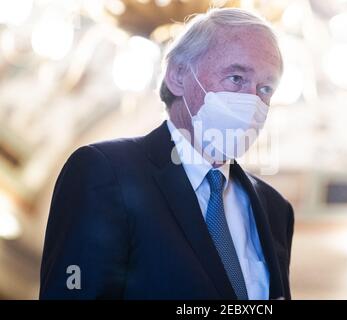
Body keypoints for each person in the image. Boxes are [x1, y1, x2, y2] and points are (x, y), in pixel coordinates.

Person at [40, 7, 294, 300]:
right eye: (236, 78)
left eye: (265, 88)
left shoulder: (275, 208)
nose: (253, 102)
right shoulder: (105, 171)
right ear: (178, 75)